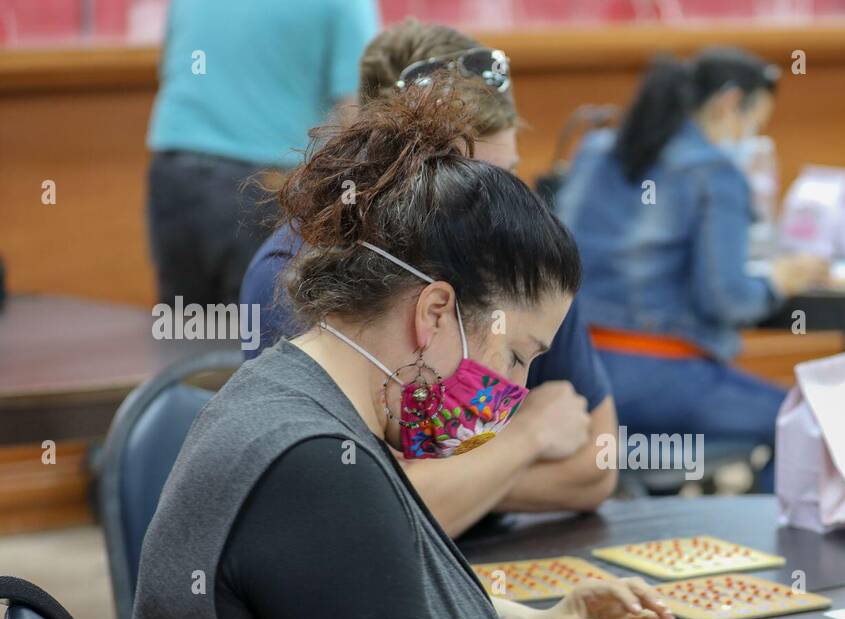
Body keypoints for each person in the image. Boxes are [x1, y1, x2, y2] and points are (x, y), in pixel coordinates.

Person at [49, 84, 845, 619]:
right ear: (435, 312)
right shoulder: (316, 470)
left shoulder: (300, 400)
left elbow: (324, 613)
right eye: (516, 357)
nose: (520, 389)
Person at [241, 21, 617, 535]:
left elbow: (595, 468)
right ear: (392, 171)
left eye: (507, 177)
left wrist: (441, 481)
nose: (498, 210)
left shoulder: (527, 265)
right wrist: (526, 438)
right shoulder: (295, 271)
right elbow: (362, 511)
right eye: (468, 180)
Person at [556, 48, 829, 492]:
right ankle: (767, 554)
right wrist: (778, 279)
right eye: (755, 122)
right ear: (729, 102)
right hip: (663, 377)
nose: (751, 136)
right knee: (811, 423)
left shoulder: (595, 150)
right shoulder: (714, 173)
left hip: (574, 372)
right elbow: (726, 297)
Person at [147, 0, 379, 309]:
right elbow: (356, 114)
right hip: (265, 187)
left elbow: (170, 67)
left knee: (184, 332)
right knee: (263, 338)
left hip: (174, 171)